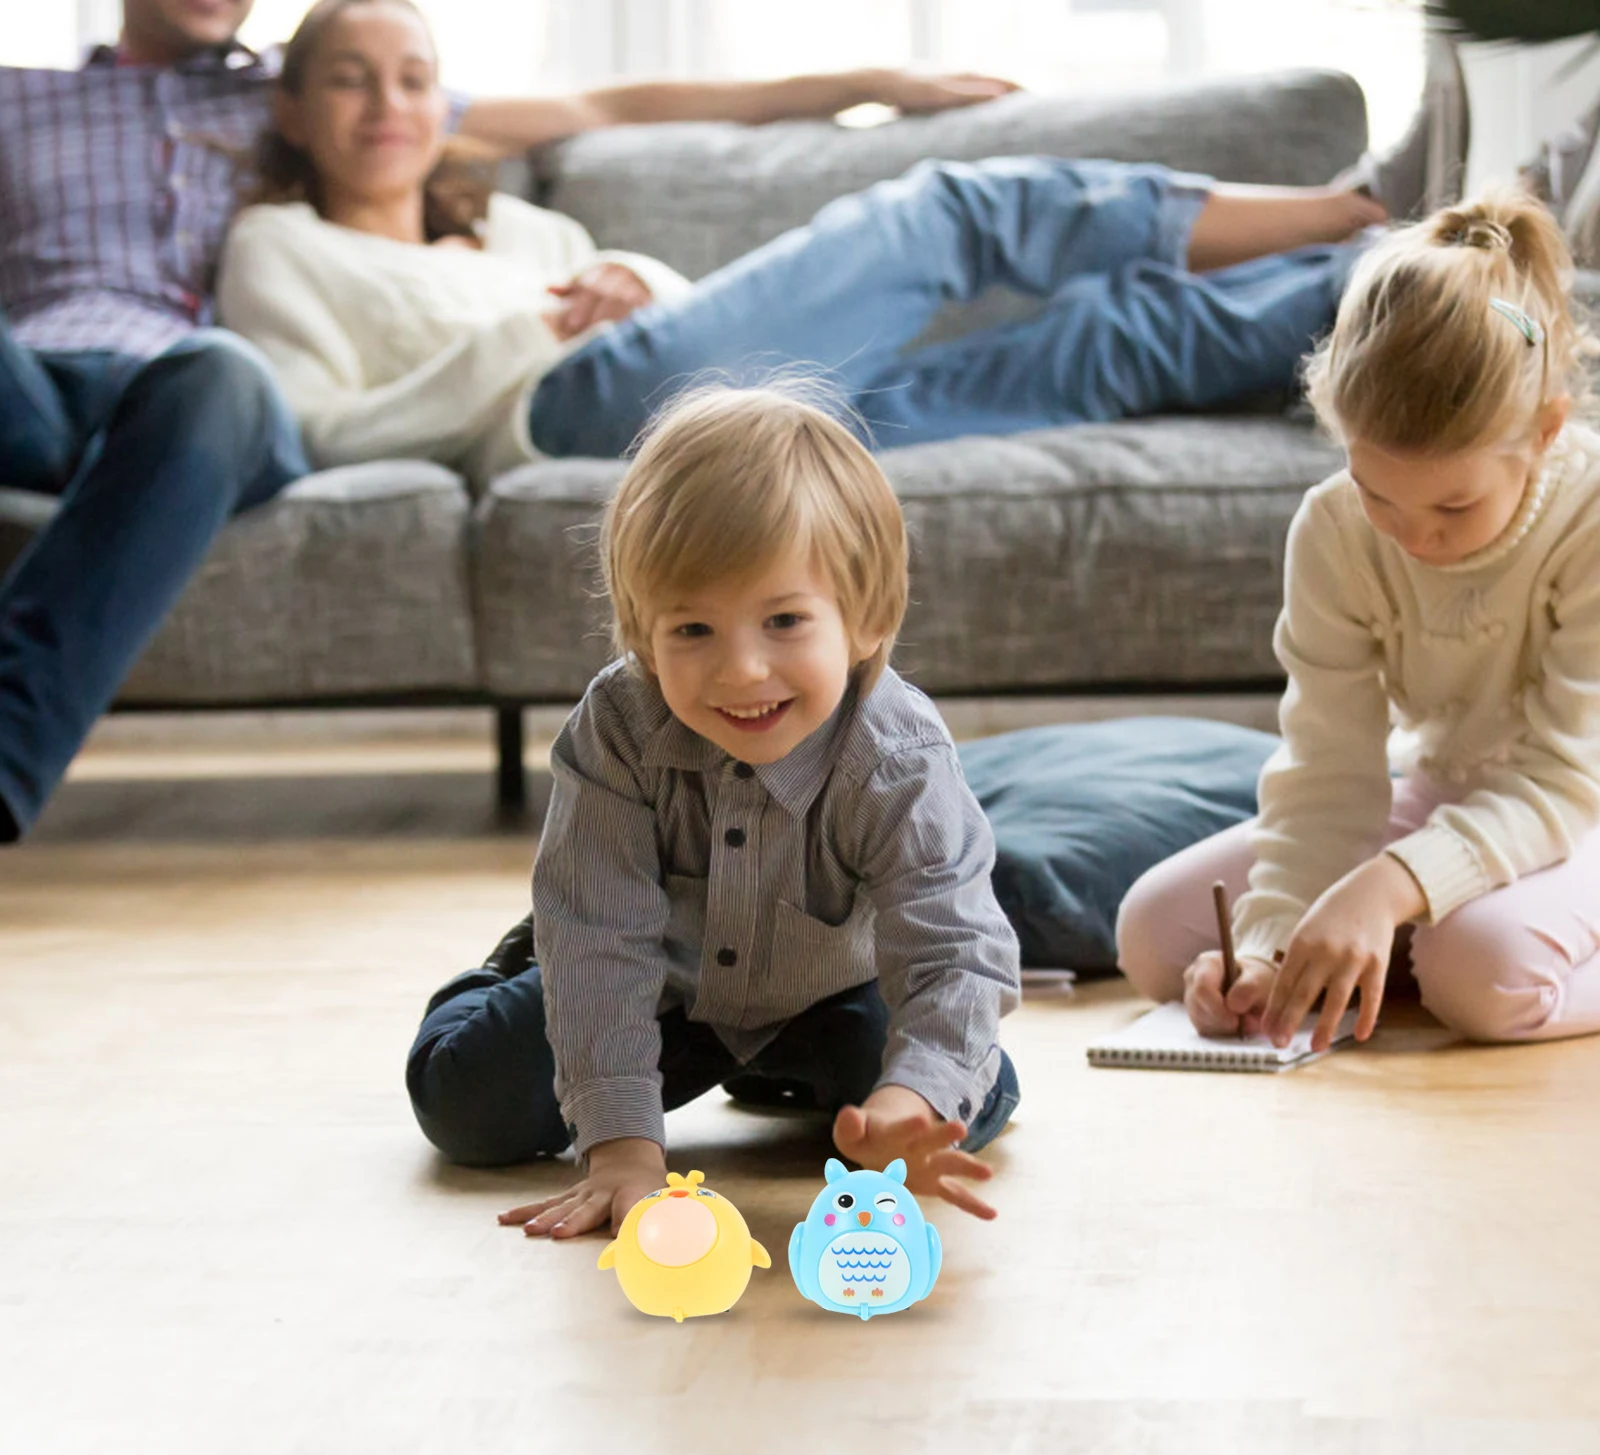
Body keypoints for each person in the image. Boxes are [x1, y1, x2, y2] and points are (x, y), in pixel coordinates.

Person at [0, 0, 1010, 846]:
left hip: (198, 409)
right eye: (359, 82)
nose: (383, 99)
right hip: (39, 382)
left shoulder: (299, 93)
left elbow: (606, 103)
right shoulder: (23, 97)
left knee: (217, 370)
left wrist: (864, 81)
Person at [216, 0, 1407, 484]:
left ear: (447, 105)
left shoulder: (523, 225)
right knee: (946, 214)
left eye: (413, 79)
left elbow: (692, 328)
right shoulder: (282, 247)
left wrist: (642, 279)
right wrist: (524, 337)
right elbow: (312, 433)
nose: (387, 106)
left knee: (1095, 346)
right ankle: (1351, 203)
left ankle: (1399, 277)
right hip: (571, 415)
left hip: (719, 416)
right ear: (292, 109)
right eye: (350, 81)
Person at [407, 385, 1023, 1236]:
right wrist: (622, 1145)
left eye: (783, 620)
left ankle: (790, 1068)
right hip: (656, 984)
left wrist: (907, 1098)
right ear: (640, 634)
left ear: (868, 619)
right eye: (692, 630)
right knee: (464, 1106)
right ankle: (516, 962)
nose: (740, 671)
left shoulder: (899, 754)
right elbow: (602, 938)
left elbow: (955, 948)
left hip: (833, 989)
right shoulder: (620, 726)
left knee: (959, 1101)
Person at [1116, 187, 1600, 1054]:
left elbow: (1567, 781)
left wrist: (1384, 889)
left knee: (1482, 980)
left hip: (1582, 804)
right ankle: (1410, 941)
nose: (1415, 538)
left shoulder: (1590, 514)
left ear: (1545, 432)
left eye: (1454, 506)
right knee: (1156, 936)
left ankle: (1428, 941)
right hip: (1448, 788)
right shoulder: (1334, 526)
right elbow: (1328, 765)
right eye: (1380, 494)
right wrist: (1267, 948)